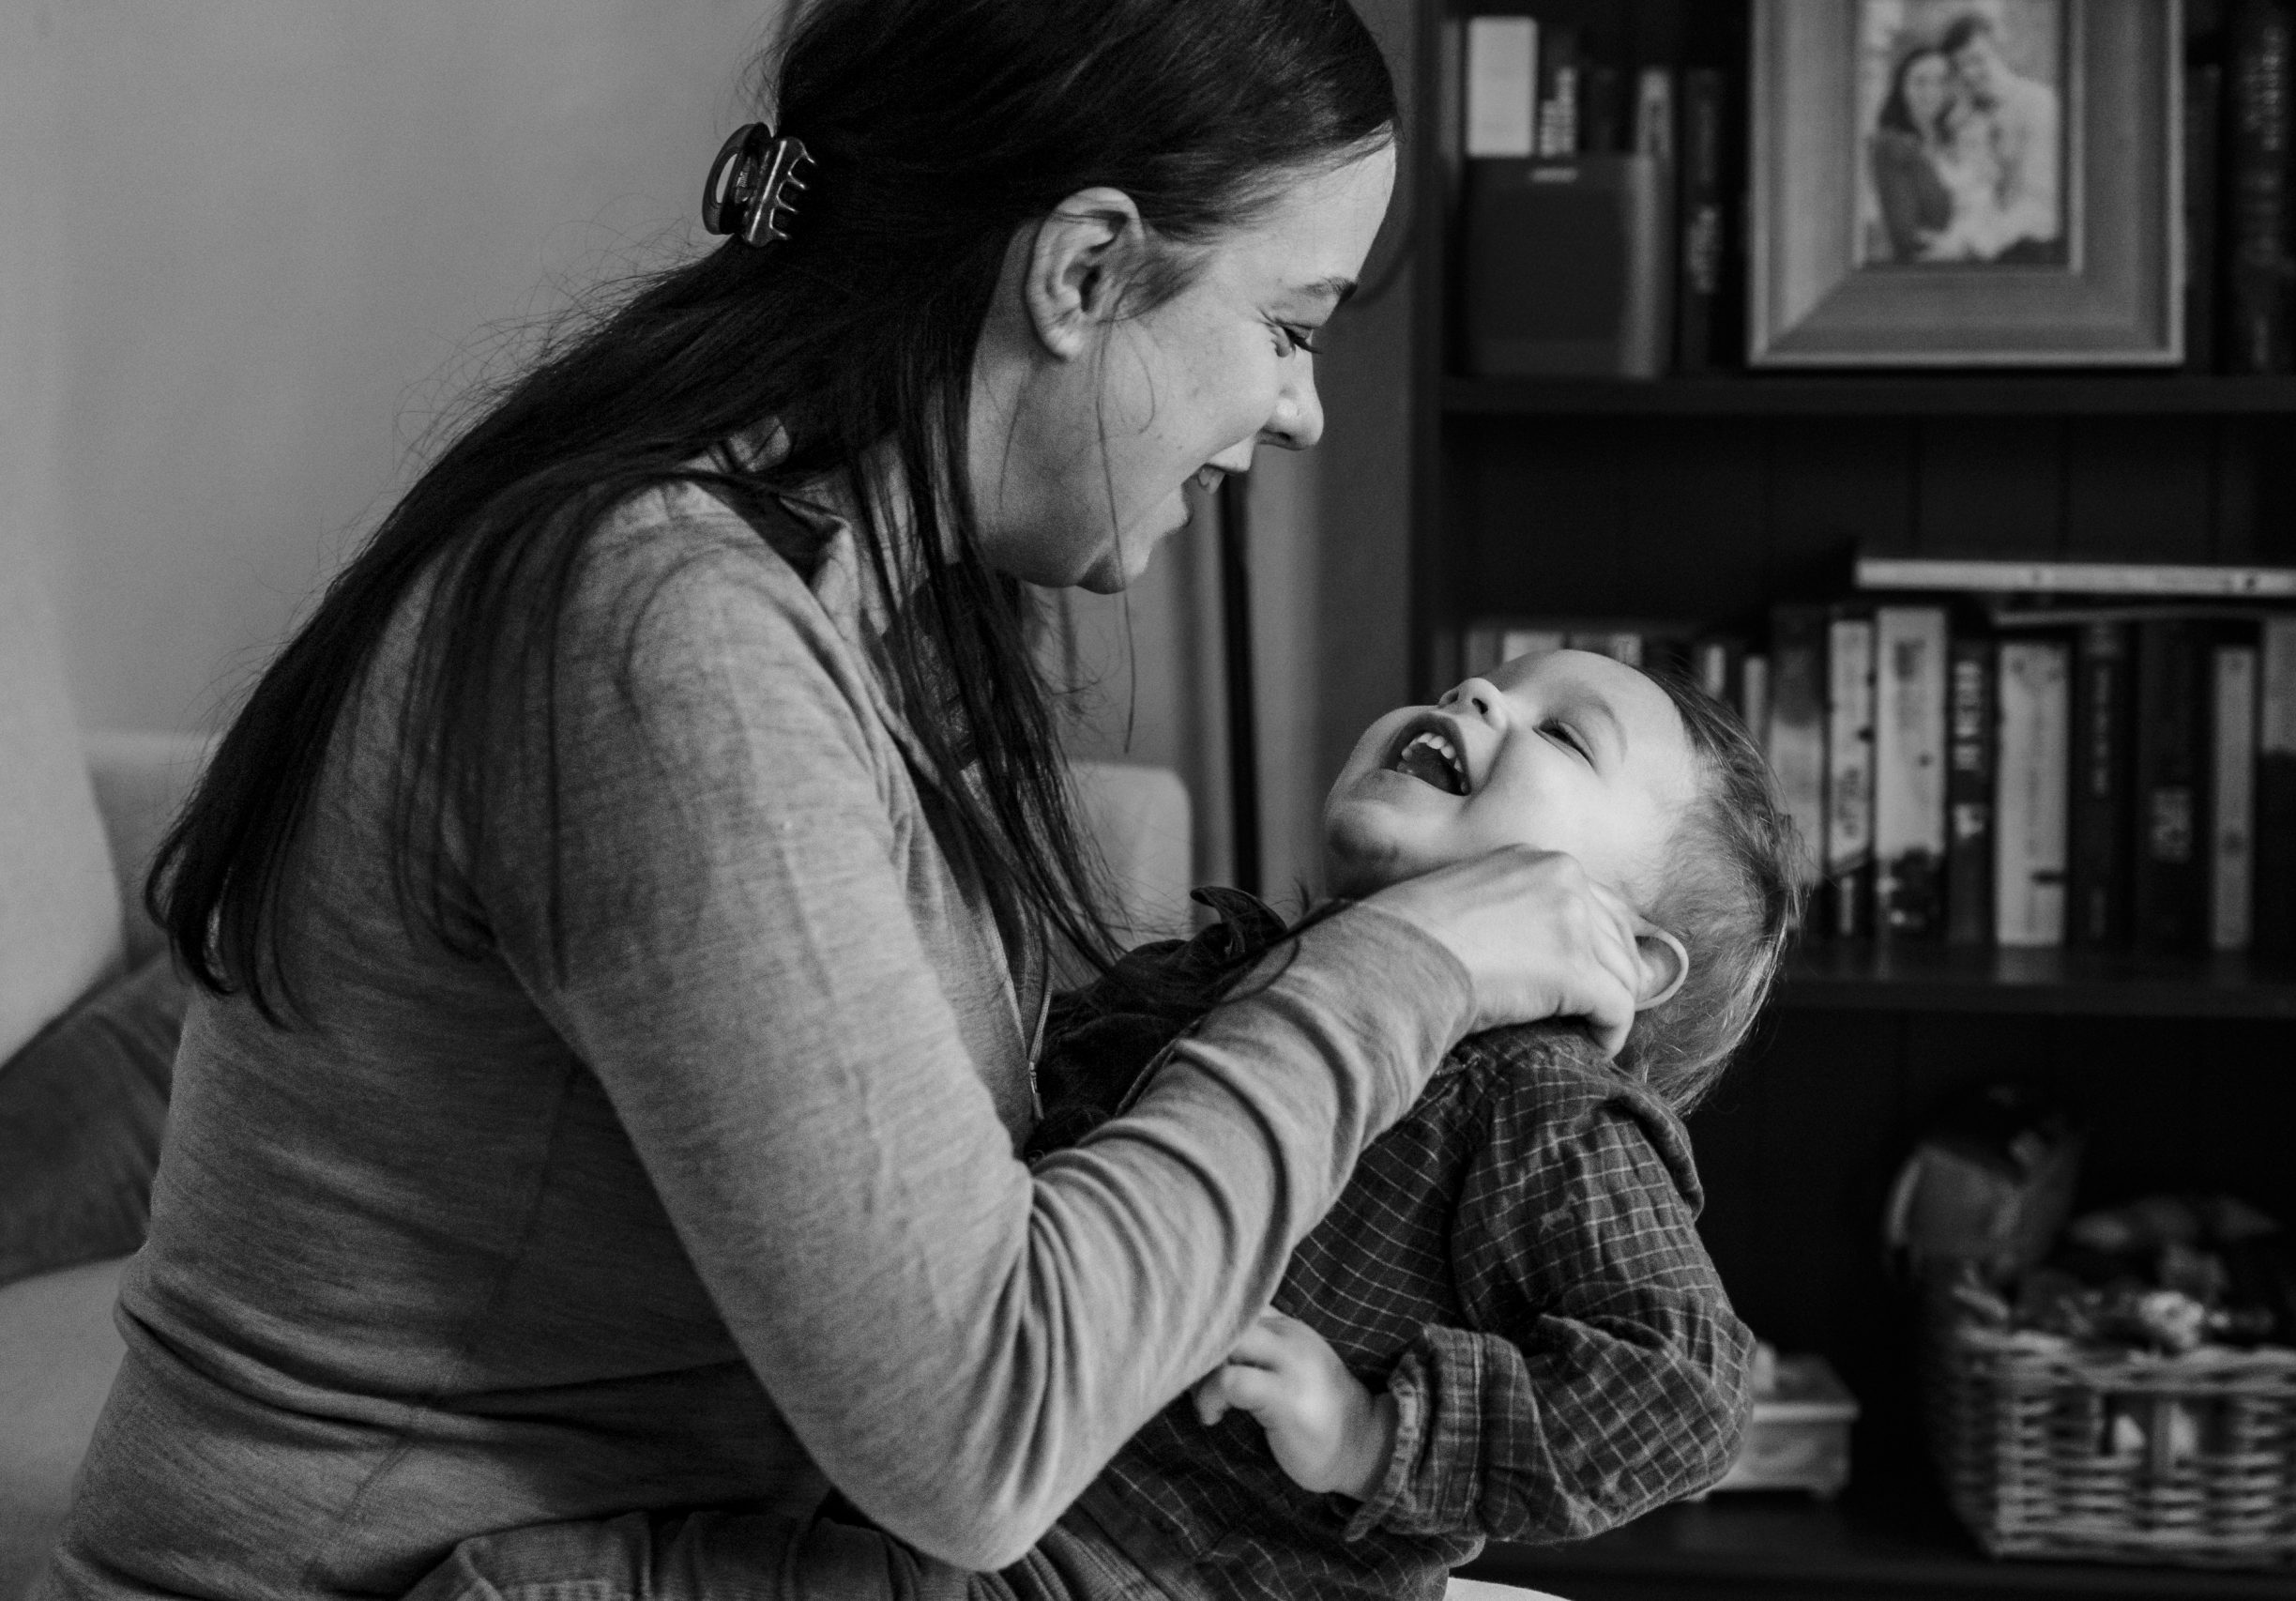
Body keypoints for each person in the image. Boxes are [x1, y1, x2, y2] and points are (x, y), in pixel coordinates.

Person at [37, 4, 1662, 1599]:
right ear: (1086, 271)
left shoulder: (868, 602)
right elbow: (983, 1437)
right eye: (1291, 327)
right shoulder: (669, 639)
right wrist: (1396, 971)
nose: (1300, 411)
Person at [411, 649, 1804, 1601]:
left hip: (1161, 1568)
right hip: (982, 1483)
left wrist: (1373, 1428)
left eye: (1562, 731)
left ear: (1623, 949)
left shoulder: (1540, 1104)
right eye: (1490, 678)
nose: (1481, 690)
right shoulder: (1211, 973)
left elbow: (1683, 1393)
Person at [1934, 11, 2061, 265]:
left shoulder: (2041, 105)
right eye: (1959, 67)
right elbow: (1972, 196)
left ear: (2001, 52)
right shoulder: (1967, 119)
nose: (1968, 73)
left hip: (2038, 250)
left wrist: (1971, 244)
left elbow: (2040, 203)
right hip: (1988, 250)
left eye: (1977, 60)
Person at [1867, 44, 1961, 264]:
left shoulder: (1953, 138)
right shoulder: (1891, 145)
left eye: (1941, 81)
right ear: (1901, 87)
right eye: (1920, 82)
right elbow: (1905, 236)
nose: (1931, 91)